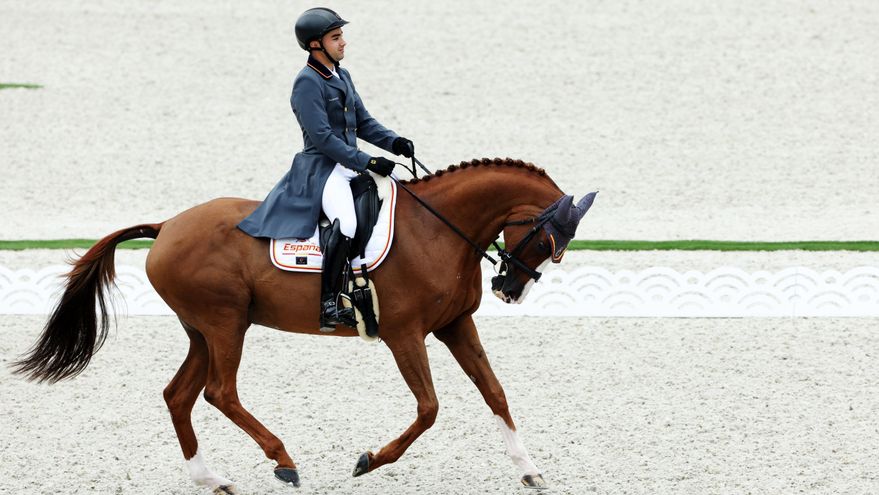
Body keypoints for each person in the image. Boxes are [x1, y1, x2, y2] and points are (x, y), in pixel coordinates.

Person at [238, 7, 414, 332]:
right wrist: (368, 161)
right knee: (345, 222)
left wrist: (394, 142)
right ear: (315, 44)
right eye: (336, 37)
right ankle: (329, 303)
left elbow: (362, 121)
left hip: (348, 163)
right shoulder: (306, 83)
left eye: (341, 36)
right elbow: (322, 138)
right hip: (323, 169)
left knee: (403, 192)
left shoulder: (341, 76)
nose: (344, 42)